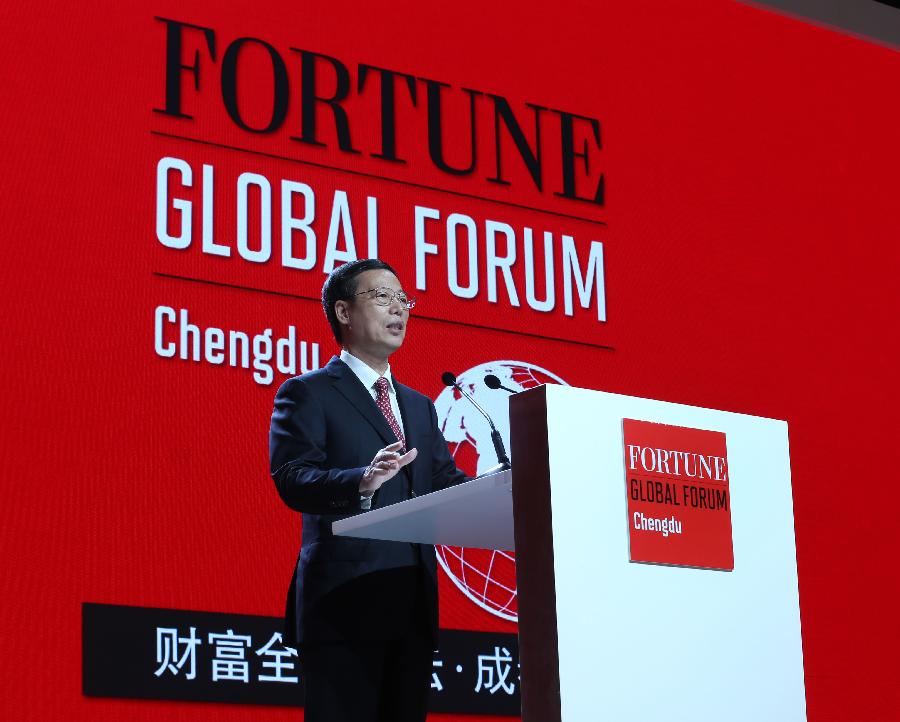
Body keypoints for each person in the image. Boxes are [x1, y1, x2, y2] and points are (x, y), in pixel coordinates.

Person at [269, 258, 469, 722]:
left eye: (404, 299)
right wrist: (360, 480)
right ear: (343, 312)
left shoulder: (419, 406)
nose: (398, 308)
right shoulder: (308, 392)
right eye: (382, 297)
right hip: (344, 605)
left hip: (411, 607)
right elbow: (293, 478)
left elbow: (445, 485)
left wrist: (507, 486)